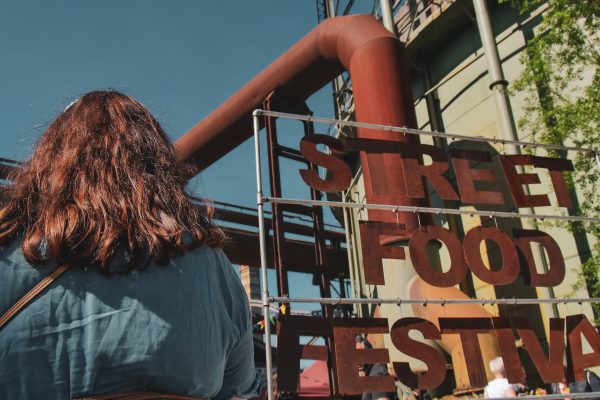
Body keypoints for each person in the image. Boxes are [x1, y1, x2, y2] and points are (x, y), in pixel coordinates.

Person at [0, 91, 263, 399]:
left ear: (54, 158)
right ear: (156, 162)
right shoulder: (214, 269)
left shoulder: (11, 246)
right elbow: (239, 389)